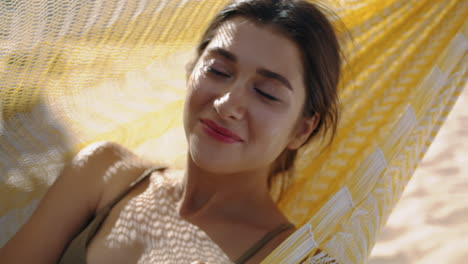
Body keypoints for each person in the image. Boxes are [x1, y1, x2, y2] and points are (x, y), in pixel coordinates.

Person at [0, 0, 341, 263]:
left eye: (266, 93)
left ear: (302, 130)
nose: (226, 104)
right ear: (191, 71)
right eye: (218, 70)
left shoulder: (293, 258)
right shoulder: (105, 174)